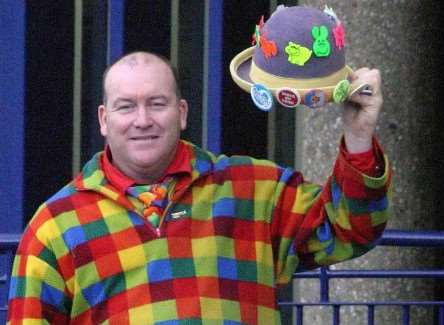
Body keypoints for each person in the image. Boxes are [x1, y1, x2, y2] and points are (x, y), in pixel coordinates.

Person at [7, 50, 390, 324]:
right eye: (126, 107)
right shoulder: (56, 226)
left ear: (182, 113)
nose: (143, 120)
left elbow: (348, 229)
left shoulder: (252, 191)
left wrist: (358, 136)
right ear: (105, 120)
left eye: (157, 103)